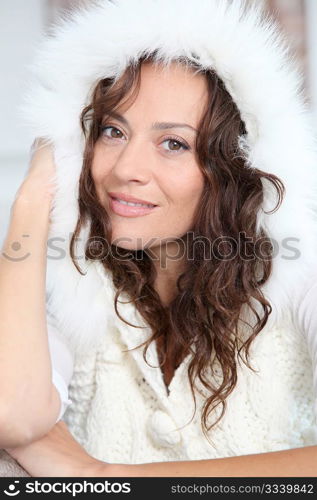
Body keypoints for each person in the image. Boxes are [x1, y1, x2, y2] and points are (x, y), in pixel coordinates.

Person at [1, 0, 317, 477]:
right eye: (111, 131)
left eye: (174, 143)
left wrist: (104, 478)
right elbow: (12, 414)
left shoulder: (299, 270)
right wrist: (29, 203)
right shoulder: (64, 281)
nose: (126, 169)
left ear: (234, 168)